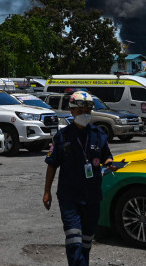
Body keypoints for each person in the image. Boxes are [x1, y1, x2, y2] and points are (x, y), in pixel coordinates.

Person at [42, 90, 115, 266]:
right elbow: (52, 165)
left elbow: (107, 156)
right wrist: (47, 192)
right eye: (81, 111)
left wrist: (109, 162)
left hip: (92, 196)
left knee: (86, 241)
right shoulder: (62, 137)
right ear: (72, 111)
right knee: (74, 240)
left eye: (88, 111)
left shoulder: (99, 135)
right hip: (70, 197)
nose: (84, 114)